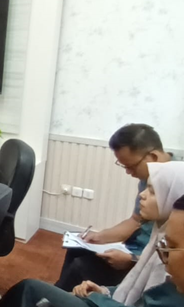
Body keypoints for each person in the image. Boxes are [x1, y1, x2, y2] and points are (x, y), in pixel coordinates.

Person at [0, 162, 184, 307]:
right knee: (38, 304)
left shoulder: (175, 266)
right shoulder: (162, 235)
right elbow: (135, 293)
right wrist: (105, 291)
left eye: (152, 191)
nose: (142, 195)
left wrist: (99, 299)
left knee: (31, 292)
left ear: (172, 196)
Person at [56, 124, 171, 291]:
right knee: (76, 250)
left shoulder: (177, 184)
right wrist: (100, 237)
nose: (128, 172)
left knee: (82, 267)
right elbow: (136, 220)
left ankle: (58, 299)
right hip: (133, 250)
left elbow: (171, 257)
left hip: (147, 264)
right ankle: (59, 294)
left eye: (131, 166)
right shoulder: (149, 175)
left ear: (152, 156)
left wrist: (132, 260)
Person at [65, 195, 184, 307]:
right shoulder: (158, 234)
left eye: (172, 247)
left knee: (43, 297)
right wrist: (105, 292)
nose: (142, 194)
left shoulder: (172, 282)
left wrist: (96, 297)